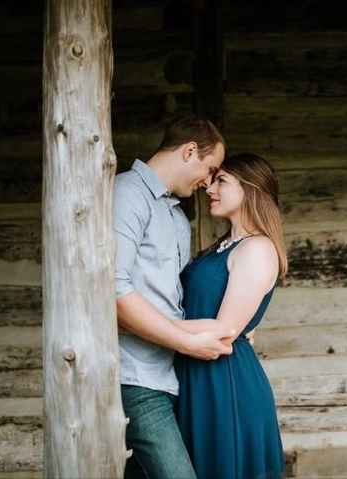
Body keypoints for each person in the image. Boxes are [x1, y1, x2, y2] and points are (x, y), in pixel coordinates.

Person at [114, 116, 234, 479]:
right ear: (190, 151)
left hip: (168, 377)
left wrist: (226, 327)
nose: (208, 182)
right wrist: (187, 342)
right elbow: (112, 291)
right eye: (210, 168)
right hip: (134, 376)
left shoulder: (176, 217)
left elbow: (170, 302)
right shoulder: (125, 194)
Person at [173, 153, 288, 479]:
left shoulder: (257, 248)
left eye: (221, 180)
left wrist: (145, 324)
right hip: (197, 373)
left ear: (251, 189)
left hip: (225, 383)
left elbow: (225, 329)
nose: (209, 187)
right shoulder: (225, 246)